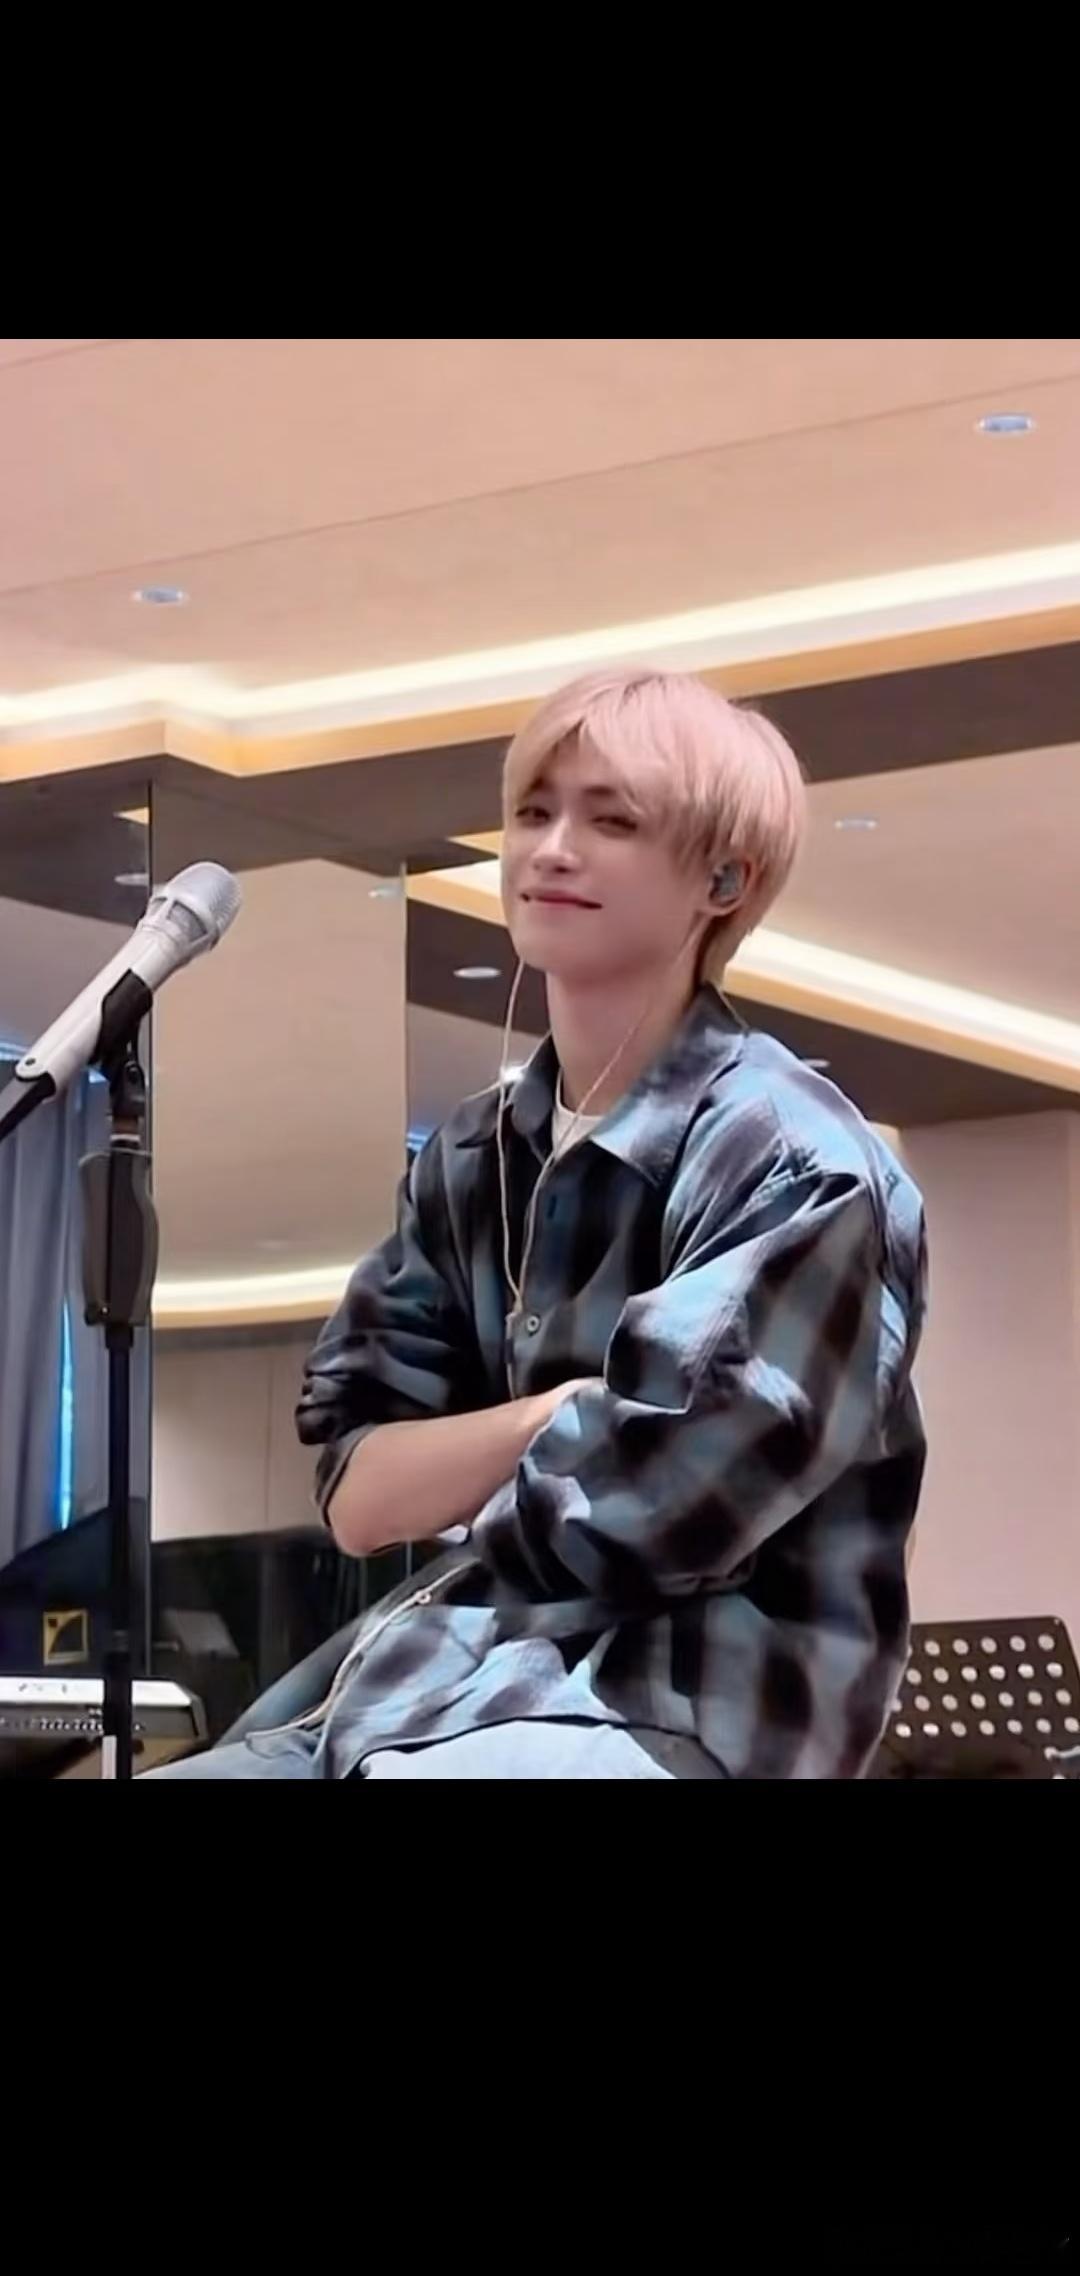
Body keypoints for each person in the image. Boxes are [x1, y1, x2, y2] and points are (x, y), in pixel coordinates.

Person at [150, 667, 927, 1779]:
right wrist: (559, 1413)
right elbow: (358, 1495)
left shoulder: (799, 1161)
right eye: (532, 811)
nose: (551, 850)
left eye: (613, 820)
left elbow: (655, 1508)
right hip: (430, 1691)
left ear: (722, 878)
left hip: (689, 1709)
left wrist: (463, 1466)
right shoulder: (472, 1155)